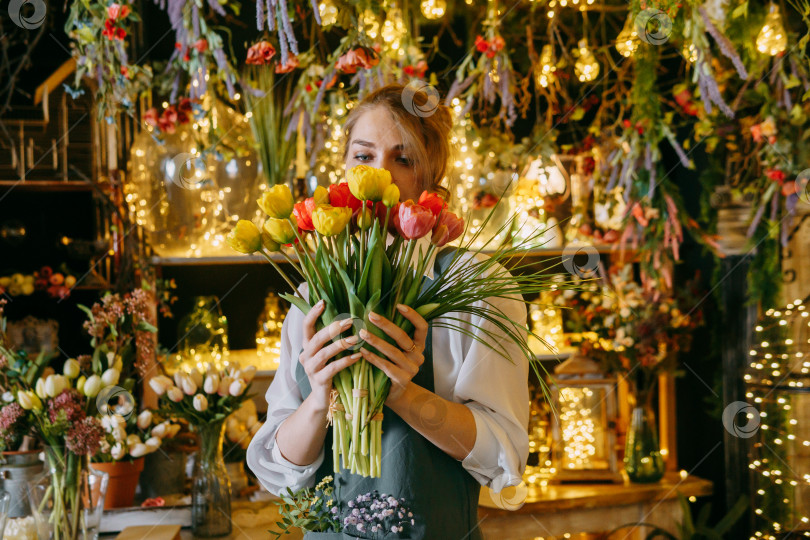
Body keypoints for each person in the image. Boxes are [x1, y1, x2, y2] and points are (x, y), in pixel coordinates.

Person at [247, 84, 529, 539]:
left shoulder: (477, 286)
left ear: (430, 178)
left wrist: (404, 394)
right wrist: (320, 398)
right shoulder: (312, 289)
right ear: (343, 170)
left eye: (404, 159)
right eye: (364, 157)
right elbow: (281, 471)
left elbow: (504, 453)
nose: (381, 175)